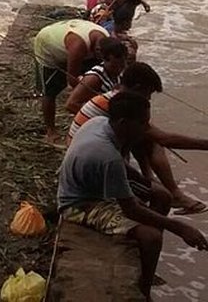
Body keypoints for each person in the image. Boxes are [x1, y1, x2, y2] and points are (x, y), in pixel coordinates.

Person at [58, 92, 208, 298]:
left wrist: (146, 182)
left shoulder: (101, 123)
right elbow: (131, 208)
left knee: (161, 195)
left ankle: (146, 262)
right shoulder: (105, 155)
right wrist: (180, 228)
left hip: (96, 183)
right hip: (80, 203)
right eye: (143, 123)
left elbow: (121, 166)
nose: (147, 129)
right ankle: (144, 289)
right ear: (123, 123)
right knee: (151, 237)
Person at [68, 63, 208, 215]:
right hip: (91, 164)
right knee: (160, 192)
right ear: (137, 87)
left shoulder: (115, 97)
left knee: (145, 135)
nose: (148, 98)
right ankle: (170, 194)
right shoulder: (122, 106)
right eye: (148, 93)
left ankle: (154, 182)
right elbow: (165, 139)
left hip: (86, 151)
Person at [33, 19, 109, 142]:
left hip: (68, 38)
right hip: (48, 45)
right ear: (96, 50)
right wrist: (89, 106)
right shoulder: (78, 46)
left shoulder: (105, 36)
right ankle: (50, 131)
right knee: (49, 92)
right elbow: (72, 79)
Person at [65, 37, 128, 114]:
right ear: (105, 59)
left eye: (121, 65)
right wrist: (96, 115)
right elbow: (71, 104)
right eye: (114, 66)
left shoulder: (119, 74)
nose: (118, 70)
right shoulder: (94, 78)